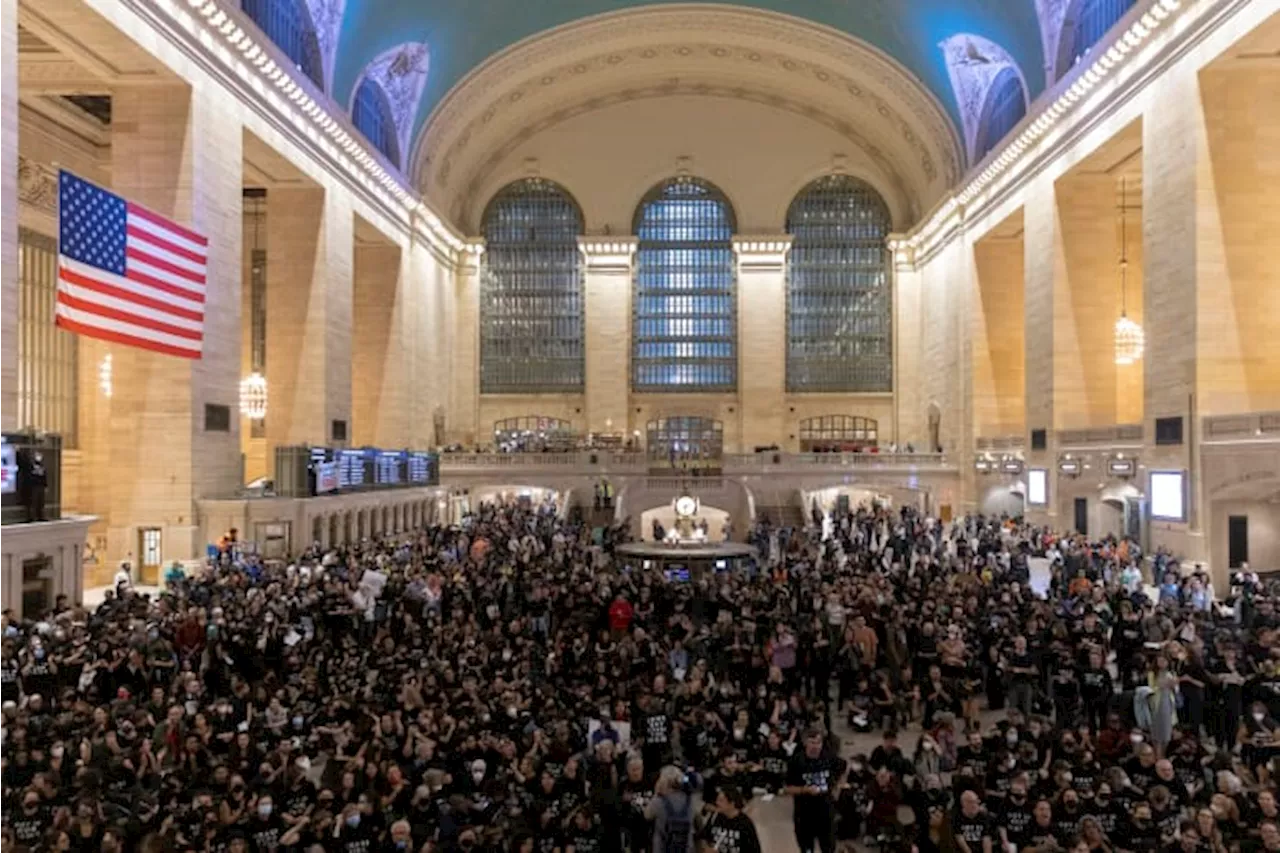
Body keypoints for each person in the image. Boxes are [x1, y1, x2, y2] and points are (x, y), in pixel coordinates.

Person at [786, 728, 845, 853]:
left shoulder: (828, 757)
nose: (816, 746)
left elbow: (843, 767)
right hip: (804, 815)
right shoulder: (796, 761)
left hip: (825, 812)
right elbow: (788, 788)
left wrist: (837, 787)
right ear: (805, 743)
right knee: (807, 849)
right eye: (812, 742)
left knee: (828, 848)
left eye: (818, 742)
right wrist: (804, 790)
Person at [645, 766, 695, 853]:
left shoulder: (658, 802)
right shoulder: (690, 801)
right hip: (686, 848)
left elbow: (647, 815)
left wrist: (656, 792)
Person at [698, 785, 761, 853]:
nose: (717, 803)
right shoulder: (715, 817)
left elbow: (754, 850)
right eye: (717, 800)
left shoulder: (745, 824)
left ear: (732, 803)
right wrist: (706, 848)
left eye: (721, 800)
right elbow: (703, 837)